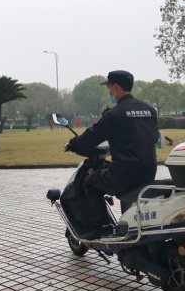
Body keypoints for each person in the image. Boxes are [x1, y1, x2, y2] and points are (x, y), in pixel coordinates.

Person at [66, 70, 158, 239]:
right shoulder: (149, 110)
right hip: (148, 172)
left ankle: (103, 227)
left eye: (109, 87)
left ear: (116, 87)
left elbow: (91, 137)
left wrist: (72, 144)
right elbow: (151, 137)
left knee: (90, 182)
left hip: (124, 174)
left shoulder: (114, 114)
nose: (108, 91)